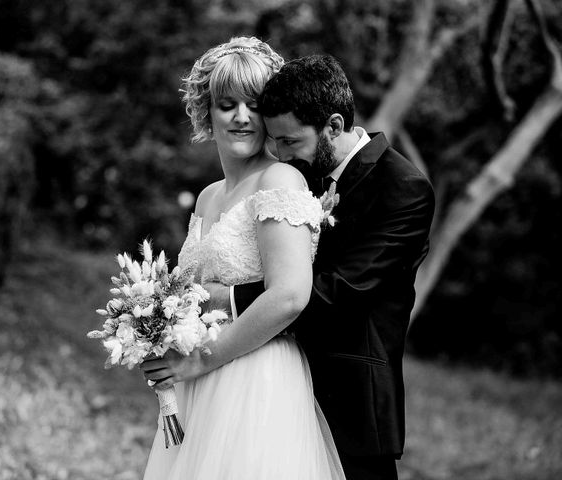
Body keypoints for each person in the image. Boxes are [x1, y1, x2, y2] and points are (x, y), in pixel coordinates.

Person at [146, 54, 435, 480]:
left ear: (332, 127)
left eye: (288, 141)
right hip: (240, 380)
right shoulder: (299, 168)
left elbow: (337, 291)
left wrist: (224, 300)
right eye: (276, 139)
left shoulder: (402, 188)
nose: (279, 151)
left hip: (348, 396)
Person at [141, 38, 346, 480]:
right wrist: (153, 329)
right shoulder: (208, 195)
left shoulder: (280, 178)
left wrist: (201, 359)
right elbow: (190, 294)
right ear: (206, 111)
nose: (241, 117)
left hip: (257, 378)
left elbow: (291, 295)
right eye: (227, 104)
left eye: (253, 104)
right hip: (201, 387)